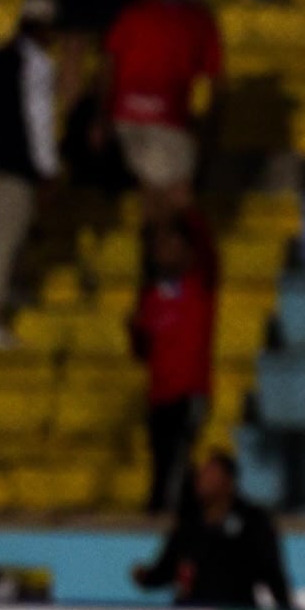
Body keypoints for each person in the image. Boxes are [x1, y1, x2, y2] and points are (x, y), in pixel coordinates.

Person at [0, 0, 57, 346]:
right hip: (14, 161)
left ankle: (14, 289)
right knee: (7, 237)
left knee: (16, 230)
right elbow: (39, 119)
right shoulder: (36, 64)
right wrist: (48, 168)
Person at [99, 0, 223, 201]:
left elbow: (108, 62)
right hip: (166, 118)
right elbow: (216, 82)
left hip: (124, 116)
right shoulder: (198, 20)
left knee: (154, 186)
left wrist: (103, 114)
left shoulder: (134, 14)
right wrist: (209, 131)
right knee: (176, 193)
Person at [130, 213, 216, 515]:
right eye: (160, 246)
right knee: (161, 457)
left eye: (173, 244)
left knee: (176, 457)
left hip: (190, 391)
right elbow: (142, 352)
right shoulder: (151, 294)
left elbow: (207, 250)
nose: (165, 252)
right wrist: (135, 332)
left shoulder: (199, 286)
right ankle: (177, 510)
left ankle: (166, 512)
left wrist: (186, 209)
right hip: (159, 393)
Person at [132, 450, 292, 608]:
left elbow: (271, 571)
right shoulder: (189, 523)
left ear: (228, 481)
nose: (202, 480)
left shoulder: (252, 522)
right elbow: (169, 567)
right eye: (201, 475)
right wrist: (147, 578)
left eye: (211, 474)